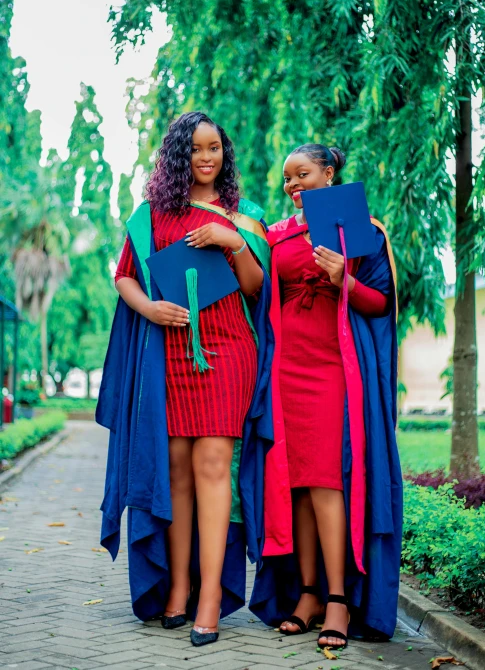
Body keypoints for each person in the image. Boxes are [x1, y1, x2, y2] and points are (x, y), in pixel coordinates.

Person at [96, 111, 272, 647]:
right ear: (178, 154)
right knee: (175, 471)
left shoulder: (244, 216)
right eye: (195, 148)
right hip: (168, 355)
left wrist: (229, 238)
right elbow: (123, 275)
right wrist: (149, 309)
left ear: (225, 153)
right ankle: (177, 588)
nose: (205, 157)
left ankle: (212, 597)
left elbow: (256, 289)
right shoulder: (151, 216)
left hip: (227, 351)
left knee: (214, 466)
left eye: (214, 147)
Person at [250, 143, 402, 648]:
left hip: (333, 369)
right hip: (285, 369)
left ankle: (339, 600)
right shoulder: (277, 235)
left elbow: (381, 304)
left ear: (329, 173)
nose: (293, 186)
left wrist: (346, 280)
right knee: (295, 484)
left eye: (303, 175)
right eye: (287, 180)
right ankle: (309, 594)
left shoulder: (361, 231)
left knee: (327, 483)